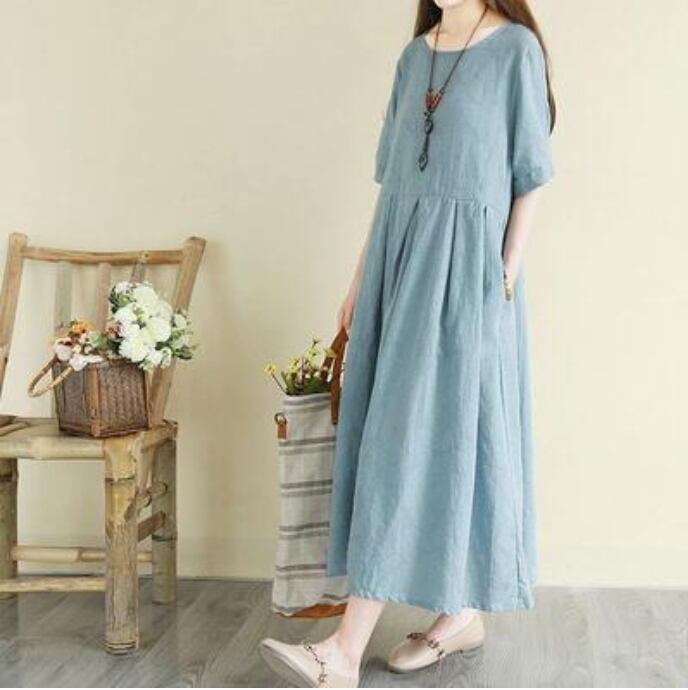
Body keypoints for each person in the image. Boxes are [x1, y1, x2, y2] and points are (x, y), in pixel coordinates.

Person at [259, 0, 555, 686]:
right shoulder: (413, 55)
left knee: (430, 440)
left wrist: (503, 276)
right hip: (398, 270)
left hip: (466, 277)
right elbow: (393, 185)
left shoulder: (515, 50)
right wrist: (359, 281)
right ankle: (458, 614)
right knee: (402, 438)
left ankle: (344, 652)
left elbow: (530, 175)